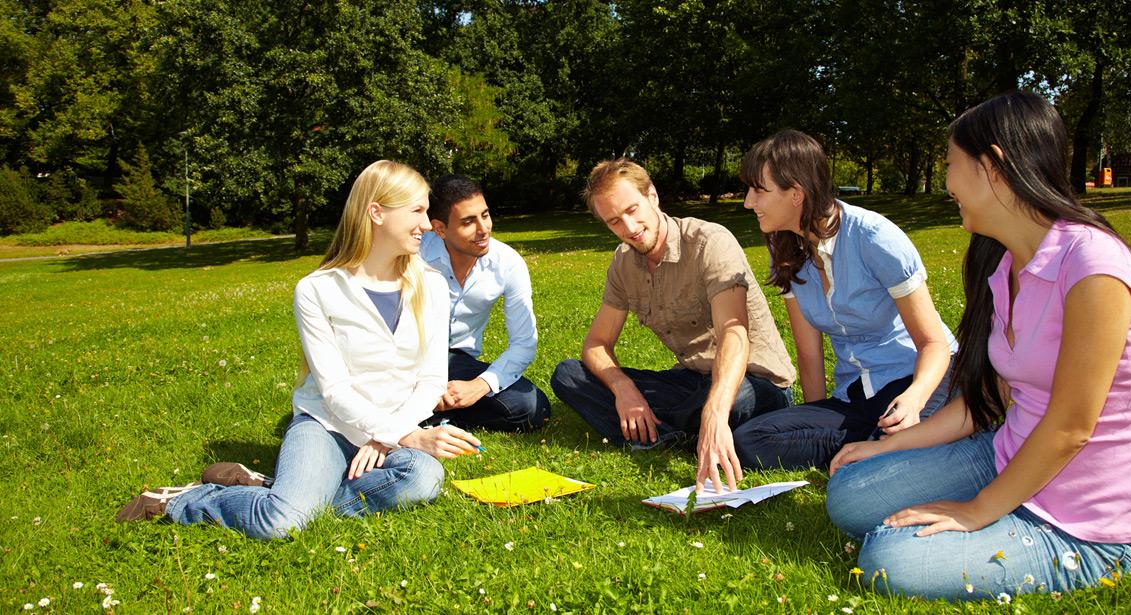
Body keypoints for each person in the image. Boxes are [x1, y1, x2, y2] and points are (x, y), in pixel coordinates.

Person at [825, 91, 1131, 600]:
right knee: (850, 494)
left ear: (993, 166)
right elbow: (989, 402)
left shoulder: (1094, 267)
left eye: (950, 165)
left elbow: (1071, 426)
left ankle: (998, 529)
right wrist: (887, 445)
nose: (946, 184)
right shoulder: (1006, 266)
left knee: (885, 560)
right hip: (1006, 455)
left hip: (1083, 521)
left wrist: (978, 509)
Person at [117, 160, 482, 539]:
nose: (427, 224)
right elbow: (335, 392)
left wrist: (388, 435)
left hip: (391, 428)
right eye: (417, 211)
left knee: (422, 476)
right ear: (376, 212)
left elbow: (432, 378)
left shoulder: (431, 284)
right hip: (327, 426)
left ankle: (274, 489)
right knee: (282, 523)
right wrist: (404, 436)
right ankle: (185, 500)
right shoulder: (317, 290)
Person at [550, 158, 796, 493]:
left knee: (735, 401)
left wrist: (714, 410)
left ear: (652, 196)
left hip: (753, 382)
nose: (630, 227)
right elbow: (596, 344)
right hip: (692, 382)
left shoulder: (710, 242)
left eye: (633, 209)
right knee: (569, 375)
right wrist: (624, 390)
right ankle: (678, 430)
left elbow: (734, 333)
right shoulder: (623, 263)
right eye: (614, 221)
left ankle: (674, 429)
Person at [730, 129, 957, 471]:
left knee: (888, 458)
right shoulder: (785, 247)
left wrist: (914, 400)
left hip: (918, 380)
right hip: (856, 393)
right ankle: (874, 445)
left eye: (759, 191)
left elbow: (933, 343)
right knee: (748, 441)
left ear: (796, 193)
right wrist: (812, 417)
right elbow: (808, 352)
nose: (748, 202)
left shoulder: (874, 238)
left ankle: (895, 441)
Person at [418, 174, 550, 432]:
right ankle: (422, 409)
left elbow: (524, 343)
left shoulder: (507, 264)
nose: (483, 229)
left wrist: (479, 386)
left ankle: (431, 413)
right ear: (440, 228)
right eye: (468, 222)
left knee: (534, 408)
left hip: (457, 362)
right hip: (409, 361)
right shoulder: (416, 255)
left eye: (485, 215)